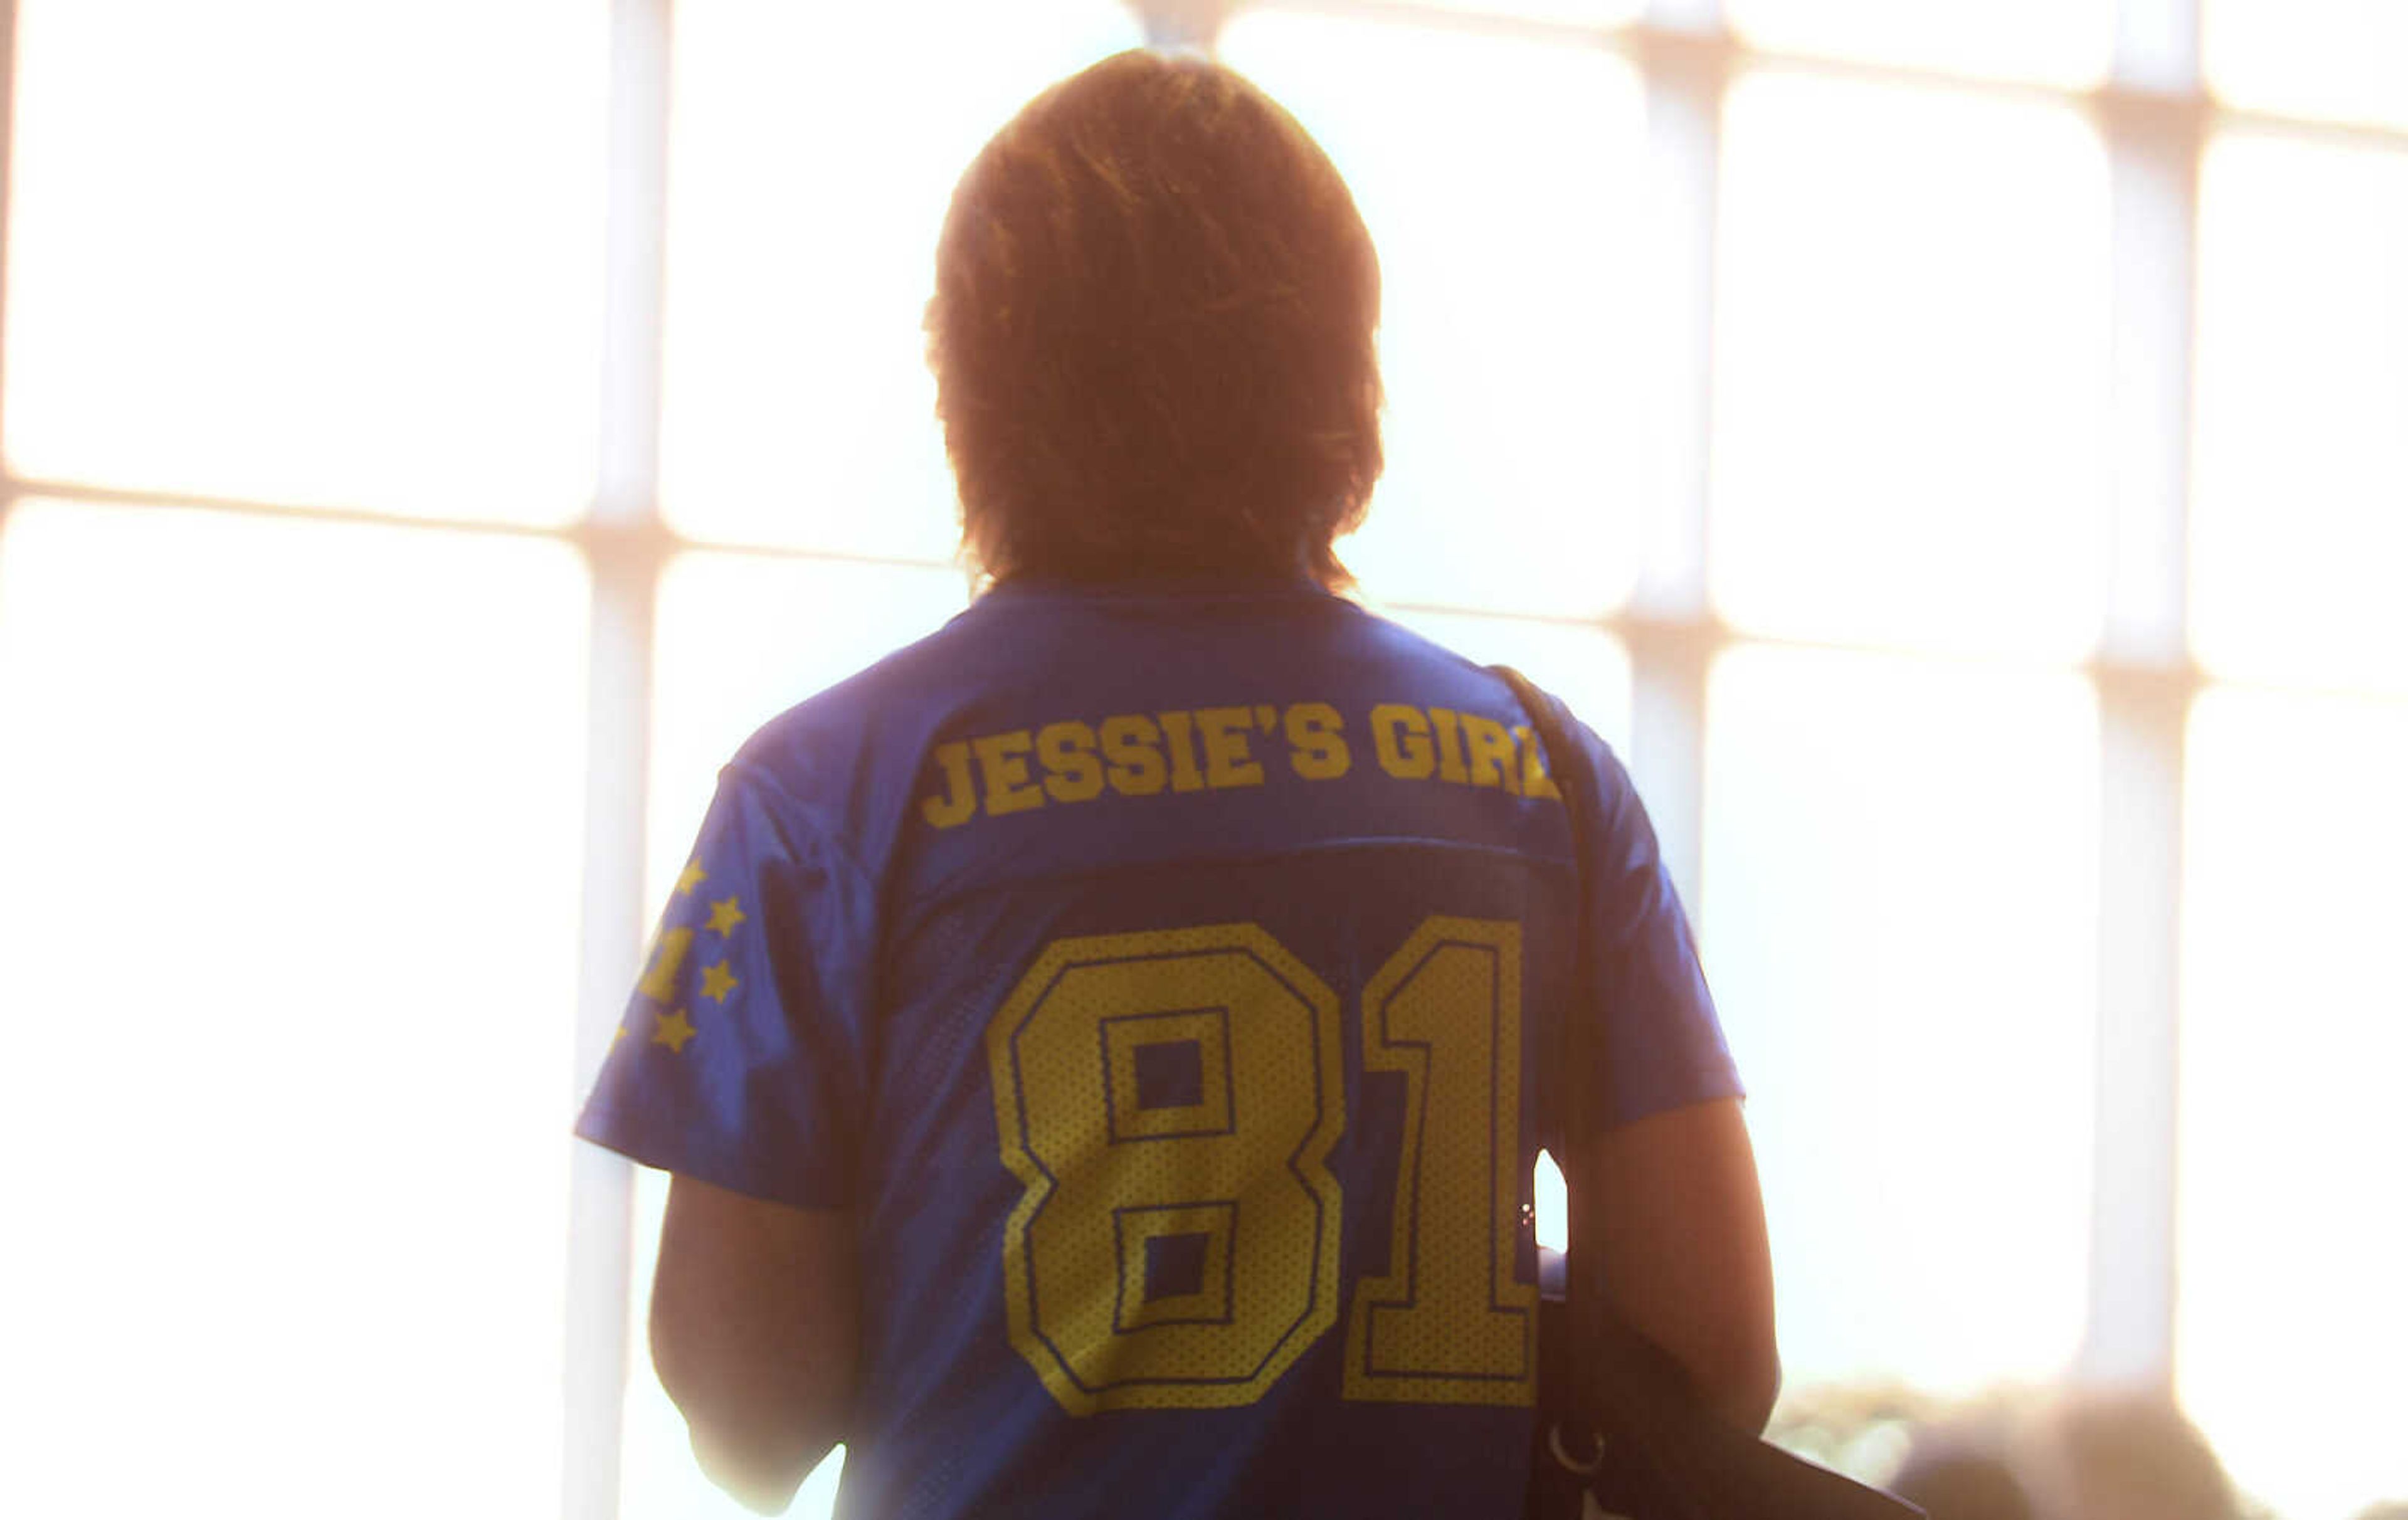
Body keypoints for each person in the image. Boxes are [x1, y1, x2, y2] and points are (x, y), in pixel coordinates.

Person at [574, 47, 1776, 1519]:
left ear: (974, 382)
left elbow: (745, 1417)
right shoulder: (1537, 781)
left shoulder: (825, 795)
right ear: (1345, 374)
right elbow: (1712, 1356)